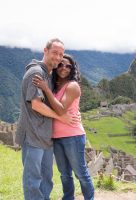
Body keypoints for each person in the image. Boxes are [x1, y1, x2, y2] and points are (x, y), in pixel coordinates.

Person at [15, 38, 77, 200]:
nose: (58, 57)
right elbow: (36, 105)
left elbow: (59, 100)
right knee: (33, 179)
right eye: (55, 53)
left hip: (45, 137)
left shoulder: (48, 75)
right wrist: (61, 117)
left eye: (61, 54)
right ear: (45, 51)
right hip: (32, 135)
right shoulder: (36, 73)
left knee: (46, 178)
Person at [33, 54, 94, 200]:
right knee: (64, 174)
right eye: (61, 65)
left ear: (72, 69)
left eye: (68, 66)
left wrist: (46, 89)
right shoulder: (55, 86)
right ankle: (68, 198)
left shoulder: (72, 86)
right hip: (56, 137)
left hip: (73, 135)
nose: (64, 68)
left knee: (80, 172)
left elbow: (60, 109)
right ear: (56, 67)